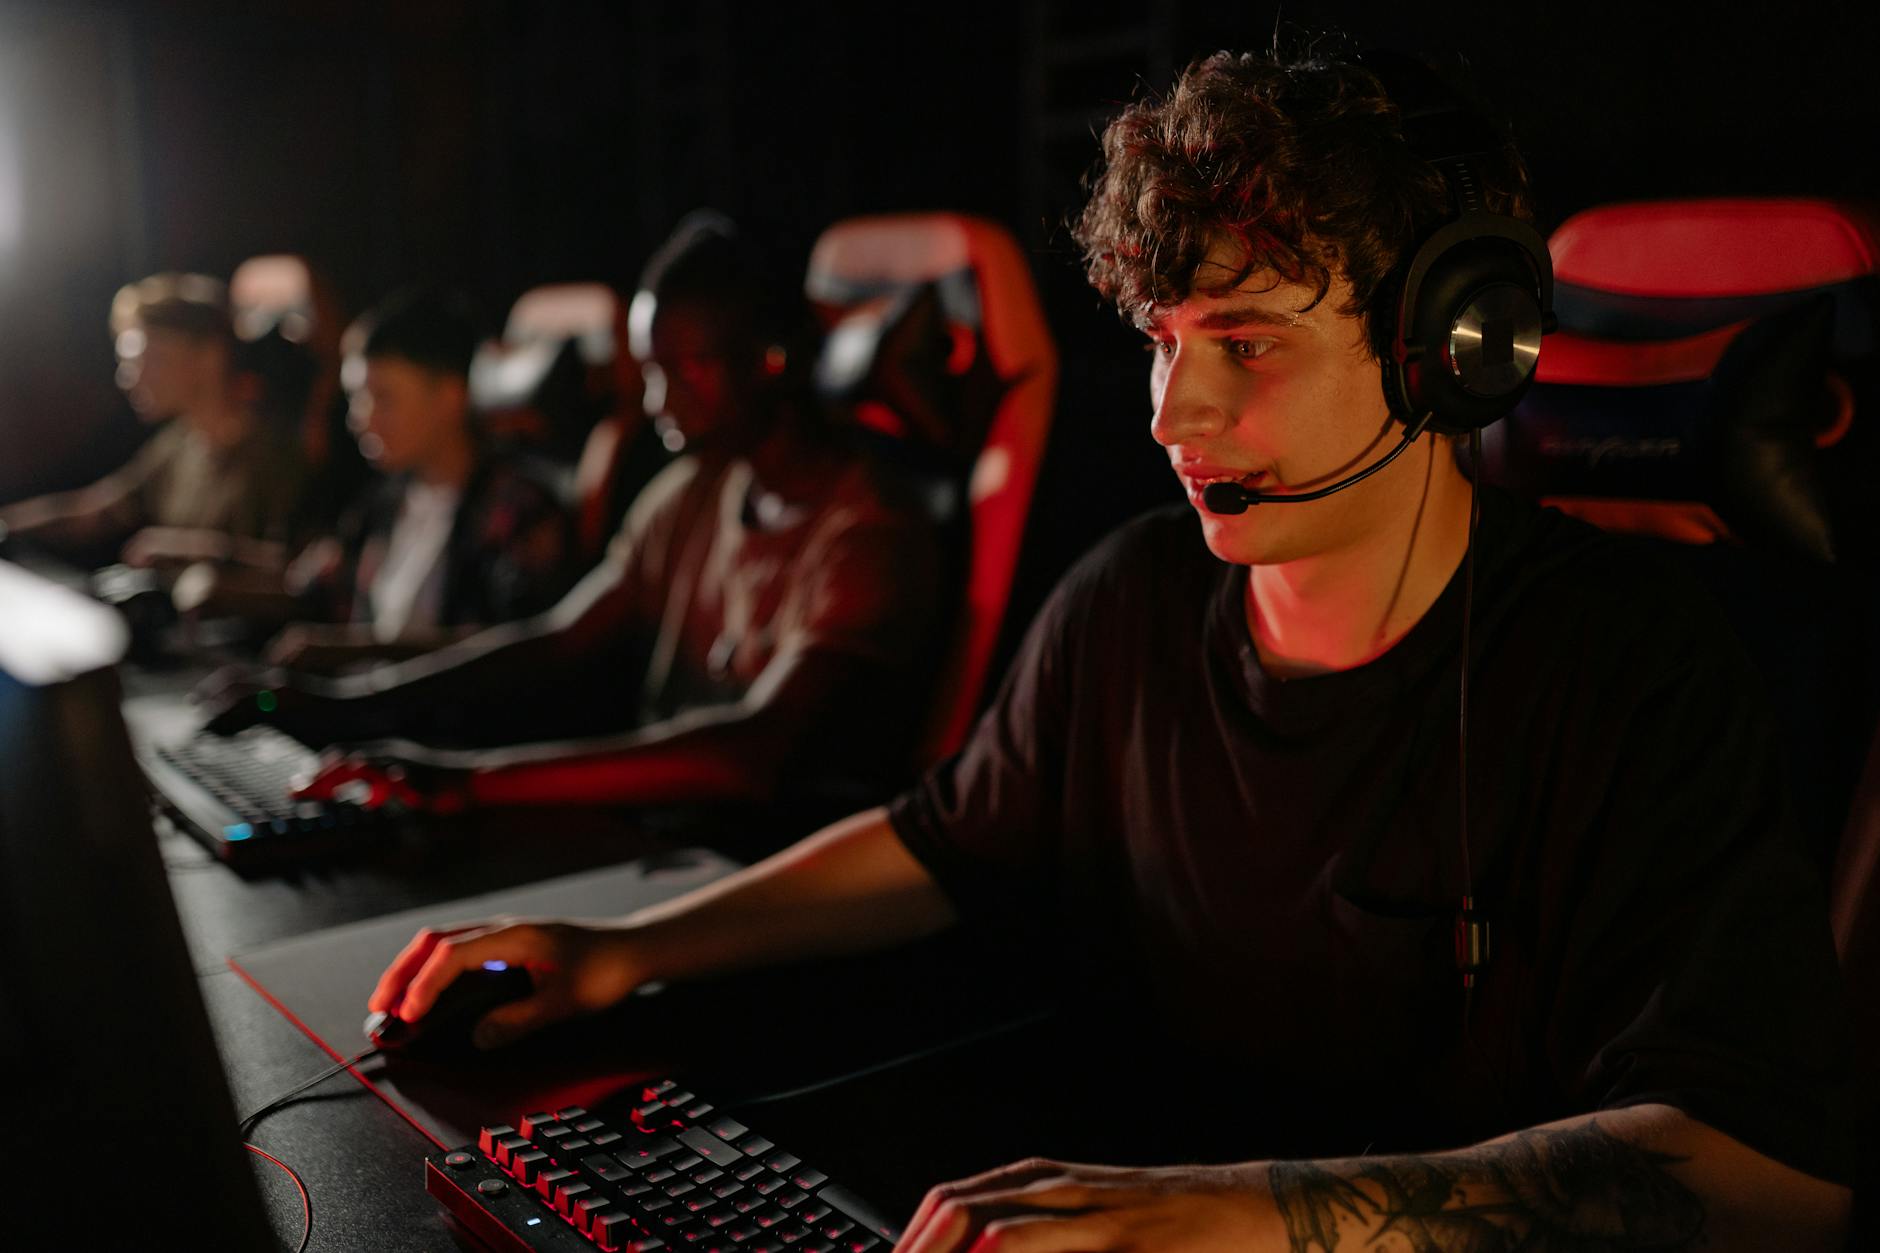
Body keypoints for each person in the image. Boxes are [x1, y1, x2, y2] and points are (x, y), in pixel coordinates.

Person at [358, 50, 1856, 1250]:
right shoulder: (1135, 596)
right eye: (1160, 339)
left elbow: (1760, 1173)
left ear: (1445, 353)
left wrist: (1250, 1215)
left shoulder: (1630, 668)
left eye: (1249, 344)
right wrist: (628, 954)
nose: (1170, 413)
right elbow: (943, 842)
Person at [203, 212, 948, 817]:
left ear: (770, 359)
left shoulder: (868, 530)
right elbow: (558, 638)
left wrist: (468, 781)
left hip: (779, 868)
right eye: (649, 371)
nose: (656, 401)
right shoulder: (694, 489)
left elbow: (750, 755)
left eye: (684, 368)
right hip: (664, 838)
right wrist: (348, 706)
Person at [196, 287, 580, 671]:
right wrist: (208, 580)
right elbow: (315, 587)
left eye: (382, 397)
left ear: (449, 397)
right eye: (357, 398)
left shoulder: (515, 509)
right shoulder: (387, 501)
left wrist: (359, 650)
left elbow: (511, 648)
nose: (360, 418)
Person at [0, 273, 308, 570]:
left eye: (144, 360)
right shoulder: (179, 446)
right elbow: (95, 513)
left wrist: (199, 552)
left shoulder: (275, 452)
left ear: (208, 356)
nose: (127, 378)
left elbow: (297, 567)